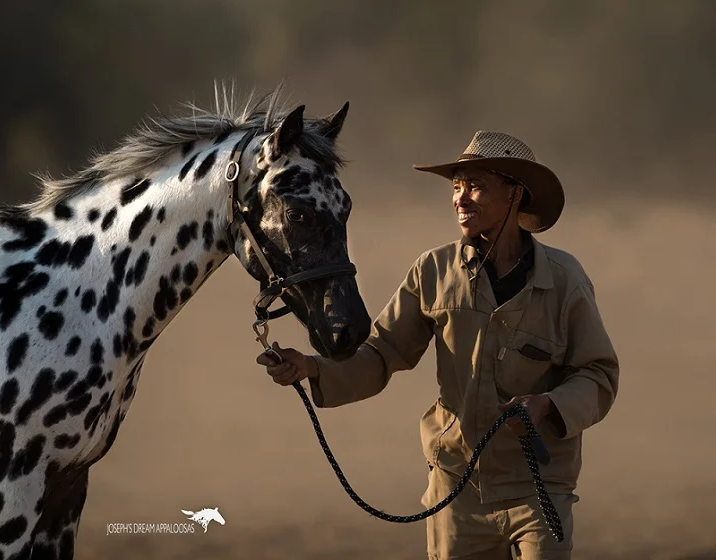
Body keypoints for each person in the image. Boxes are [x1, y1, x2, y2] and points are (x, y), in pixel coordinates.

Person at [256, 131, 620, 559]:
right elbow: (381, 354)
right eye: (456, 186)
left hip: (538, 490)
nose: (461, 199)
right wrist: (312, 368)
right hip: (456, 489)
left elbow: (598, 375)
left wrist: (547, 407)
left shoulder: (564, 280)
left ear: (515, 194)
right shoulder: (432, 270)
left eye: (477, 186)